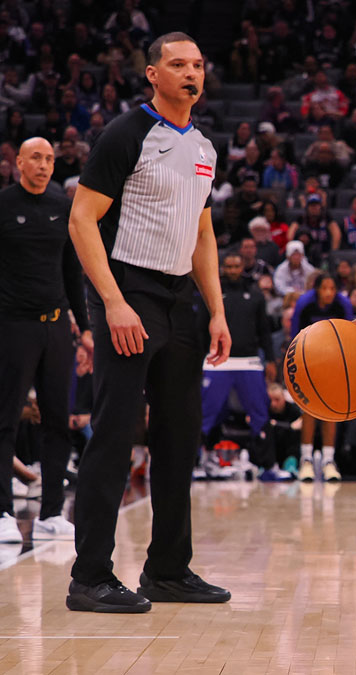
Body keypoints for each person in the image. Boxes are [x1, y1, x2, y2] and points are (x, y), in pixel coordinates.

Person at [66, 33, 232, 613]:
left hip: (179, 298)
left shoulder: (207, 145)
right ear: (153, 75)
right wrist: (111, 302)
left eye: (198, 65)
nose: (191, 73)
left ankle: (167, 571)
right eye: (179, 64)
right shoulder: (125, 134)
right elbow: (82, 221)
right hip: (127, 289)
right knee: (115, 434)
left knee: (179, 437)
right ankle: (89, 577)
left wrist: (216, 309)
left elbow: (203, 232)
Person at [0, 137, 91, 543]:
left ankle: (51, 513)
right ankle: (3, 512)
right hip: (12, 325)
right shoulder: (4, 204)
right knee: (5, 421)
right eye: (35, 157)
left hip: (56, 327)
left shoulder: (63, 206)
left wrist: (85, 328)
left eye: (50, 159)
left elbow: (73, 272)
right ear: (18, 162)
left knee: (58, 421)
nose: (44, 164)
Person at [198, 252, 273, 472]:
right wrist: (199, 360)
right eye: (228, 266)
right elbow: (200, 329)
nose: (232, 270)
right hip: (216, 361)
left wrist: (269, 359)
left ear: (243, 267)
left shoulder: (255, 295)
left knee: (260, 413)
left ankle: (265, 465)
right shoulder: (212, 293)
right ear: (222, 268)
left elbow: (264, 331)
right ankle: (200, 463)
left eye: (236, 266)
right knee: (206, 414)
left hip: (249, 361)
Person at [289, 273, 352, 482]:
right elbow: (294, 337)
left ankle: (328, 460)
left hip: (334, 361)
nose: (328, 292)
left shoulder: (342, 306)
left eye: (332, 288)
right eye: (324, 288)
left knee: (330, 410)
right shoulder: (305, 304)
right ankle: (305, 459)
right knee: (308, 409)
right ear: (317, 290)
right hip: (308, 360)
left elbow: (351, 334)